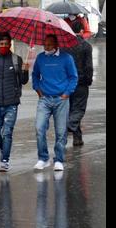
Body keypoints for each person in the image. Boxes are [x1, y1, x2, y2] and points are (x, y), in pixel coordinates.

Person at [0, 32, 29, 172]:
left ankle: (5, 161)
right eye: (1, 44)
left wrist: (25, 71)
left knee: (7, 133)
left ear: (10, 45)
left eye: (7, 44)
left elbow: (23, 81)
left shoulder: (17, 60)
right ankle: (4, 148)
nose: (4, 46)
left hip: (11, 104)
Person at [32, 34, 78, 171]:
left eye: (50, 44)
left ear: (56, 45)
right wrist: (38, 90)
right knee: (39, 128)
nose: (46, 47)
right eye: (45, 44)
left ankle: (59, 159)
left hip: (61, 99)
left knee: (61, 131)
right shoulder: (40, 58)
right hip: (44, 99)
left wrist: (67, 93)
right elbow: (35, 75)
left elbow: (73, 77)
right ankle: (43, 158)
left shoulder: (66, 58)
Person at [60, 22, 93, 146]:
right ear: (81, 30)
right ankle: (70, 125)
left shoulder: (64, 45)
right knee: (78, 109)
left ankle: (77, 138)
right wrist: (88, 80)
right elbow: (88, 66)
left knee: (71, 109)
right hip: (81, 82)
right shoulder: (86, 46)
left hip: (66, 83)